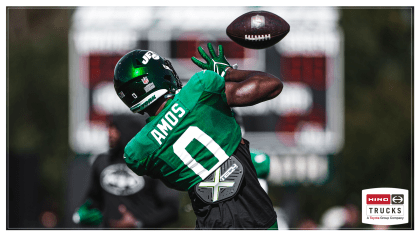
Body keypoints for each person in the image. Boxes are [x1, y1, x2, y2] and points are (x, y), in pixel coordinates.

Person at [113, 43, 283, 229]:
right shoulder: (201, 88)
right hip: (260, 220)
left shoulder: (137, 151)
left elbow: (173, 181)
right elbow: (272, 85)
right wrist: (227, 73)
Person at [72, 114, 179, 228]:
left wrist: (138, 223)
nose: (109, 133)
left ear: (127, 130)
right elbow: (93, 200)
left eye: (114, 128)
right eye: (108, 128)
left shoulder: (152, 165)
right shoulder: (102, 162)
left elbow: (171, 210)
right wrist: (81, 214)